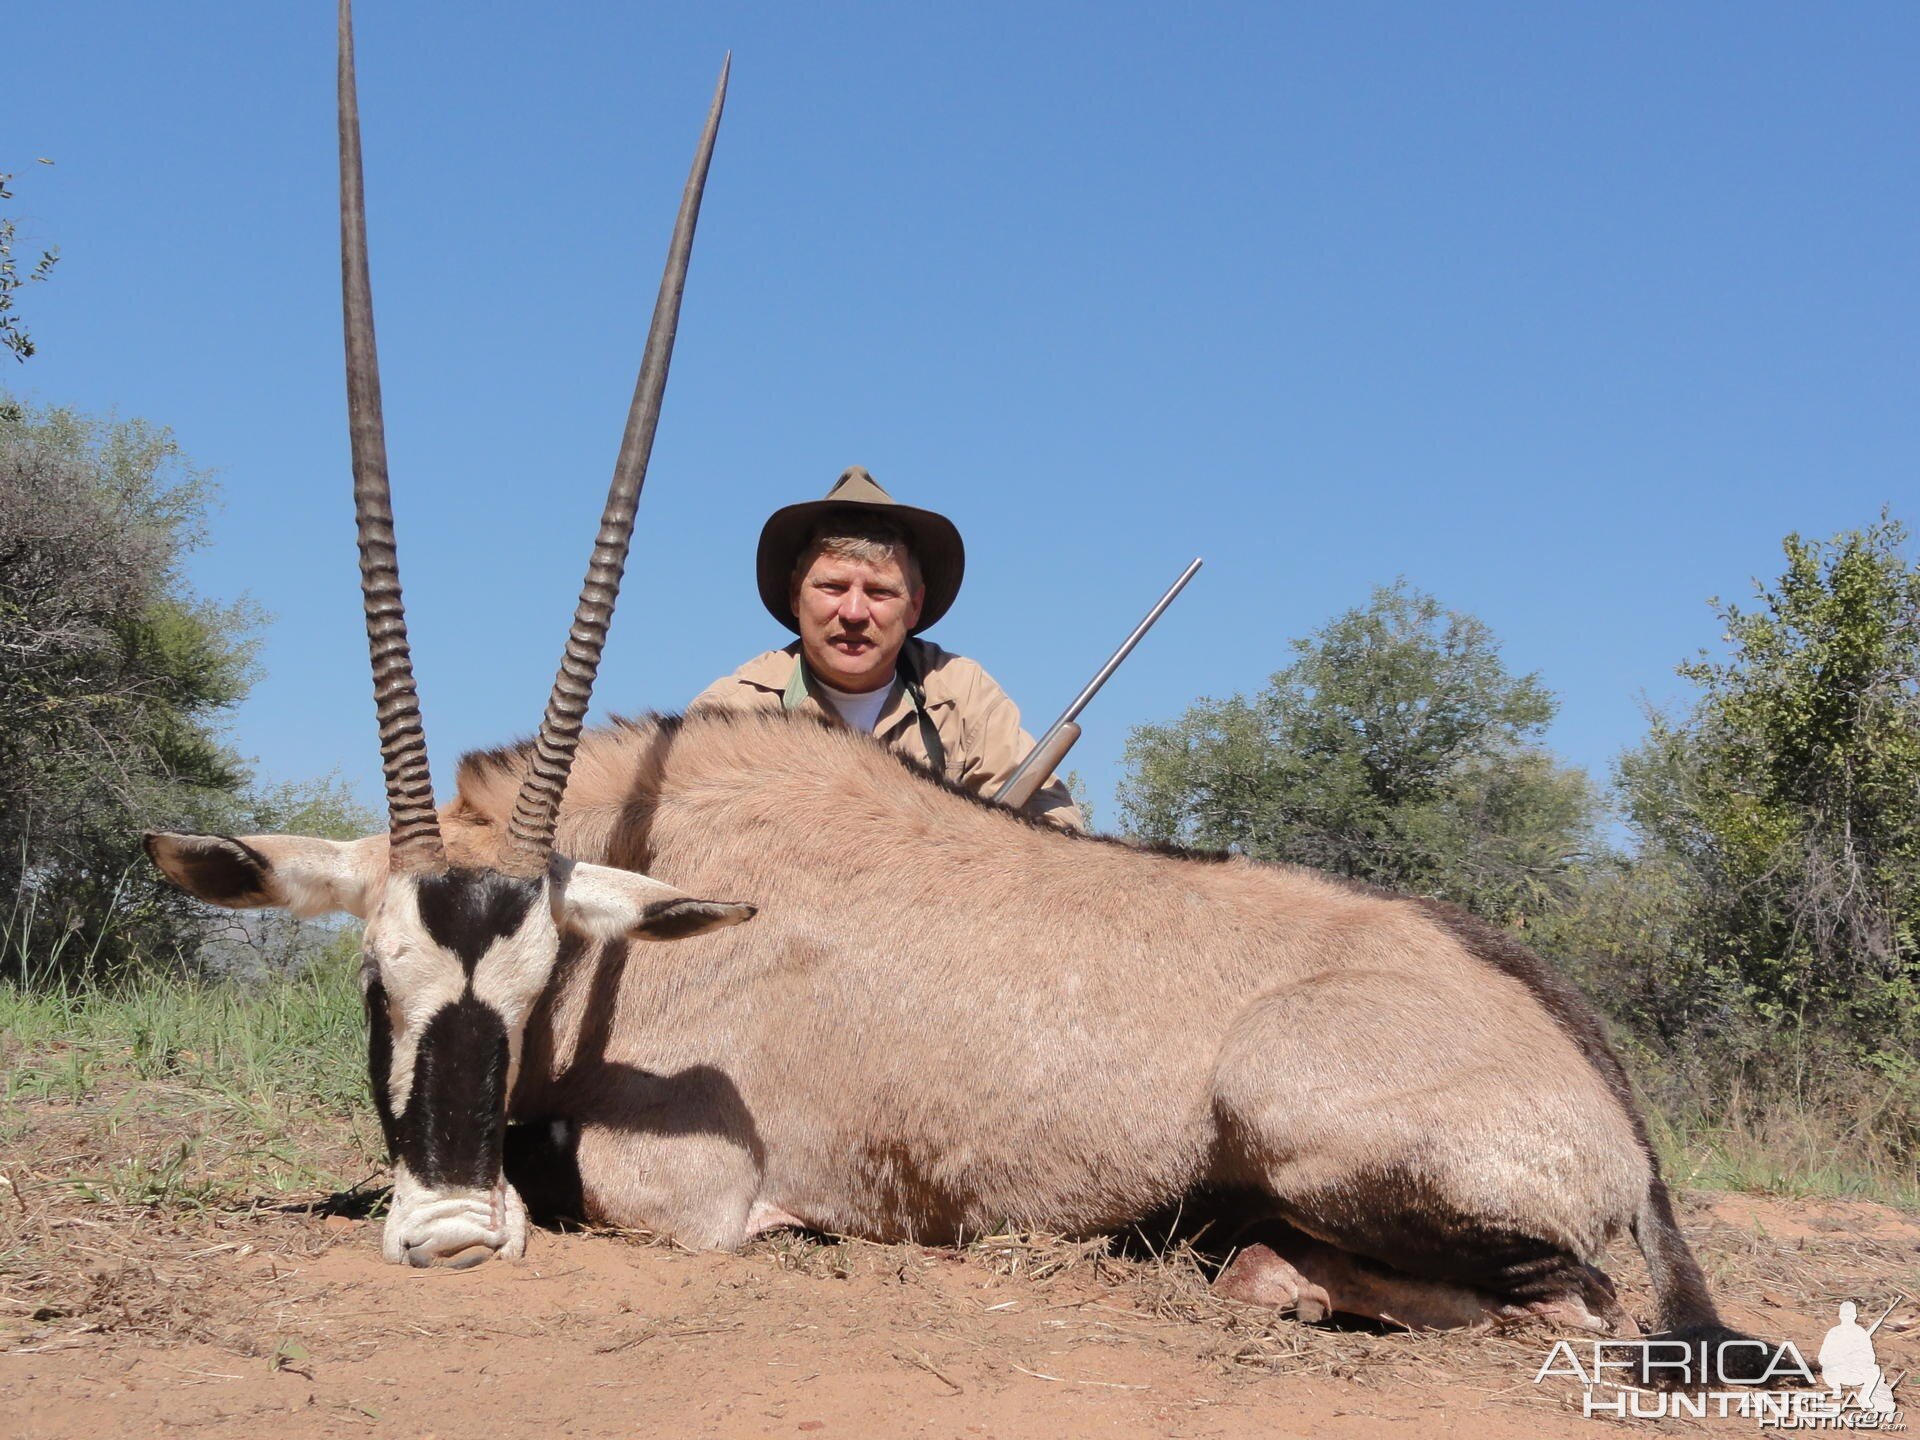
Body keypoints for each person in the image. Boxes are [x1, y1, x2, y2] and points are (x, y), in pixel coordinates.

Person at [691, 467, 1084, 830]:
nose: (854, 612)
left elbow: (1057, 824)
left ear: (914, 606)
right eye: (833, 587)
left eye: (880, 592)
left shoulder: (964, 694)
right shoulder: (732, 711)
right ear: (796, 596)